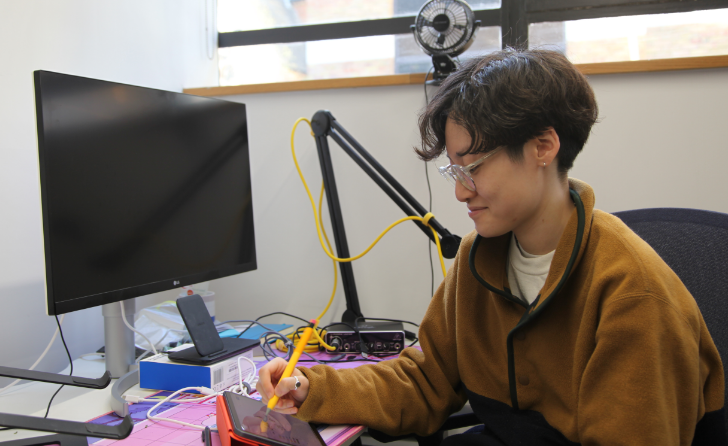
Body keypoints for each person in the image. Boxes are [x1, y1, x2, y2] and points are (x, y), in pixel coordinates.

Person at [257, 48, 726, 445]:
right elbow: (424, 381)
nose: (461, 192)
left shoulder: (631, 293)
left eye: (473, 168)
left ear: (543, 147)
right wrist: (307, 387)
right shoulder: (479, 260)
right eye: (453, 171)